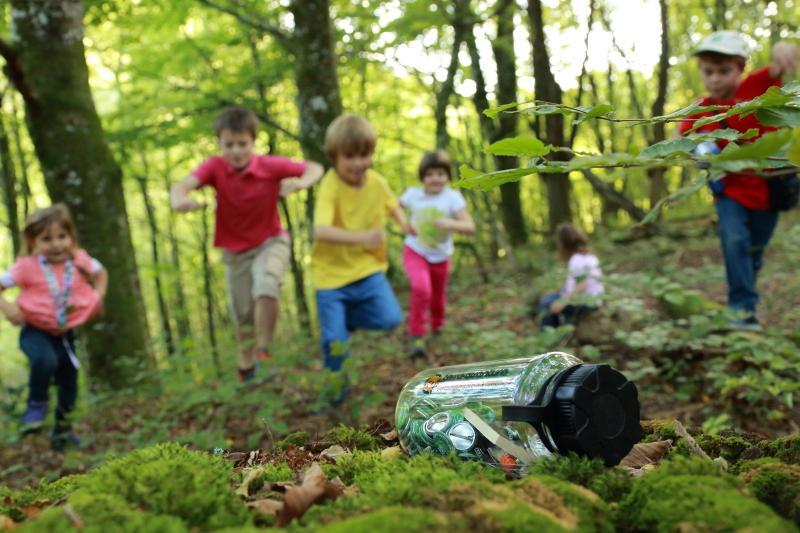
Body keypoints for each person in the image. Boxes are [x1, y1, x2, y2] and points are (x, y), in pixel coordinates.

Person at [171, 106, 323, 381]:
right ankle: (247, 367)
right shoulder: (215, 167)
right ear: (219, 143)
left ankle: (264, 350)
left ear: (253, 142)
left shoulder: (269, 165)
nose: (236, 151)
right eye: (229, 144)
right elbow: (182, 185)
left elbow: (315, 167)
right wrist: (179, 200)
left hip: (270, 241)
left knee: (266, 285)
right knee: (242, 316)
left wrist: (301, 184)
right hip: (235, 252)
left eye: (242, 144)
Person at [678, 31, 799, 330]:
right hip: (729, 193)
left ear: (740, 68)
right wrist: (695, 152)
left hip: (768, 192)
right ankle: (741, 311)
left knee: (754, 252)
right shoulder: (700, 110)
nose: (715, 79)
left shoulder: (756, 88)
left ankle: (746, 298)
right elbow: (680, 138)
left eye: (724, 71)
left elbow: (778, 66)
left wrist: (784, 47)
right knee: (734, 240)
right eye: (708, 72)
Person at [311, 114, 412, 404]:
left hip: (367, 268)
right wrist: (362, 238)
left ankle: (347, 319)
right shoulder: (331, 185)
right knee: (334, 342)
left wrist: (405, 225)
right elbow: (321, 230)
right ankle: (335, 394)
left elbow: (393, 205)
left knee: (390, 318)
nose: (358, 163)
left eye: (364, 155)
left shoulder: (376, 182)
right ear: (334, 157)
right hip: (330, 277)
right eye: (350, 157)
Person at [0, 204, 107, 450]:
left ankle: (63, 432)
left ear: (71, 237)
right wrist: (9, 309)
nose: (56, 244)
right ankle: (36, 405)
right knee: (45, 361)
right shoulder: (26, 266)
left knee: (69, 381)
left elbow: (102, 274)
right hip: (35, 332)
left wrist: (97, 298)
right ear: (33, 240)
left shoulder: (79, 260)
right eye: (47, 239)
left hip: (65, 334)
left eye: (62, 236)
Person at [400, 150, 474, 358]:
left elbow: (470, 226)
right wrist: (404, 224)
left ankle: (437, 325)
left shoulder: (452, 198)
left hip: (441, 255)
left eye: (441, 174)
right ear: (422, 176)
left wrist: (450, 223)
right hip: (415, 250)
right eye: (430, 174)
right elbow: (392, 208)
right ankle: (416, 335)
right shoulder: (413, 195)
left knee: (438, 297)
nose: (436, 179)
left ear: (447, 176)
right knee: (421, 289)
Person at [538, 223, 603, 330]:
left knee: (546, 304)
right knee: (550, 298)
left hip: (586, 302)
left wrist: (561, 303)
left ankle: (549, 337)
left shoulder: (576, 259)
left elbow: (582, 285)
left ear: (564, 244)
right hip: (594, 299)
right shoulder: (589, 255)